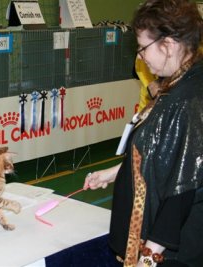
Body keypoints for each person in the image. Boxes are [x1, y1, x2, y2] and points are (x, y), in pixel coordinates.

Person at [83, 0, 203, 266]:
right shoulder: (178, 84)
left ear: (168, 46)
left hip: (172, 253)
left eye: (143, 47)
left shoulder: (187, 100)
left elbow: (181, 192)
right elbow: (163, 157)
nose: (140, 56)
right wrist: (117, 172)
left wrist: (147, 259)